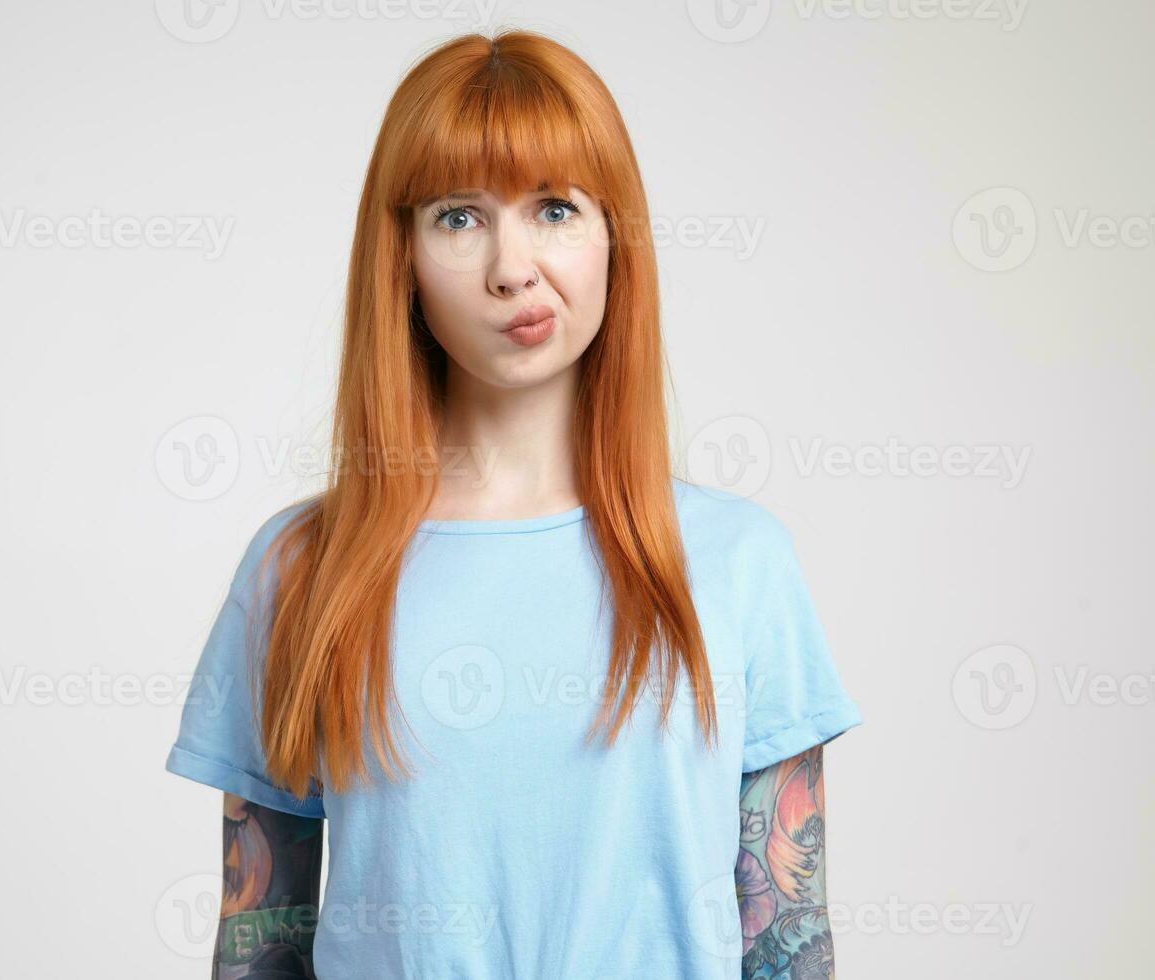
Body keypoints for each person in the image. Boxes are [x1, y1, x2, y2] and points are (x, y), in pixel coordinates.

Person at [166, 28, 863, 980]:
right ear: (401, 255)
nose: (512, 266)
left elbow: (788, 939)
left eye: (556, 208)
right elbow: (260, 945)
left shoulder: (739, 561)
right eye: (459, 217)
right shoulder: (302, 569)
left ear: (616, 232)